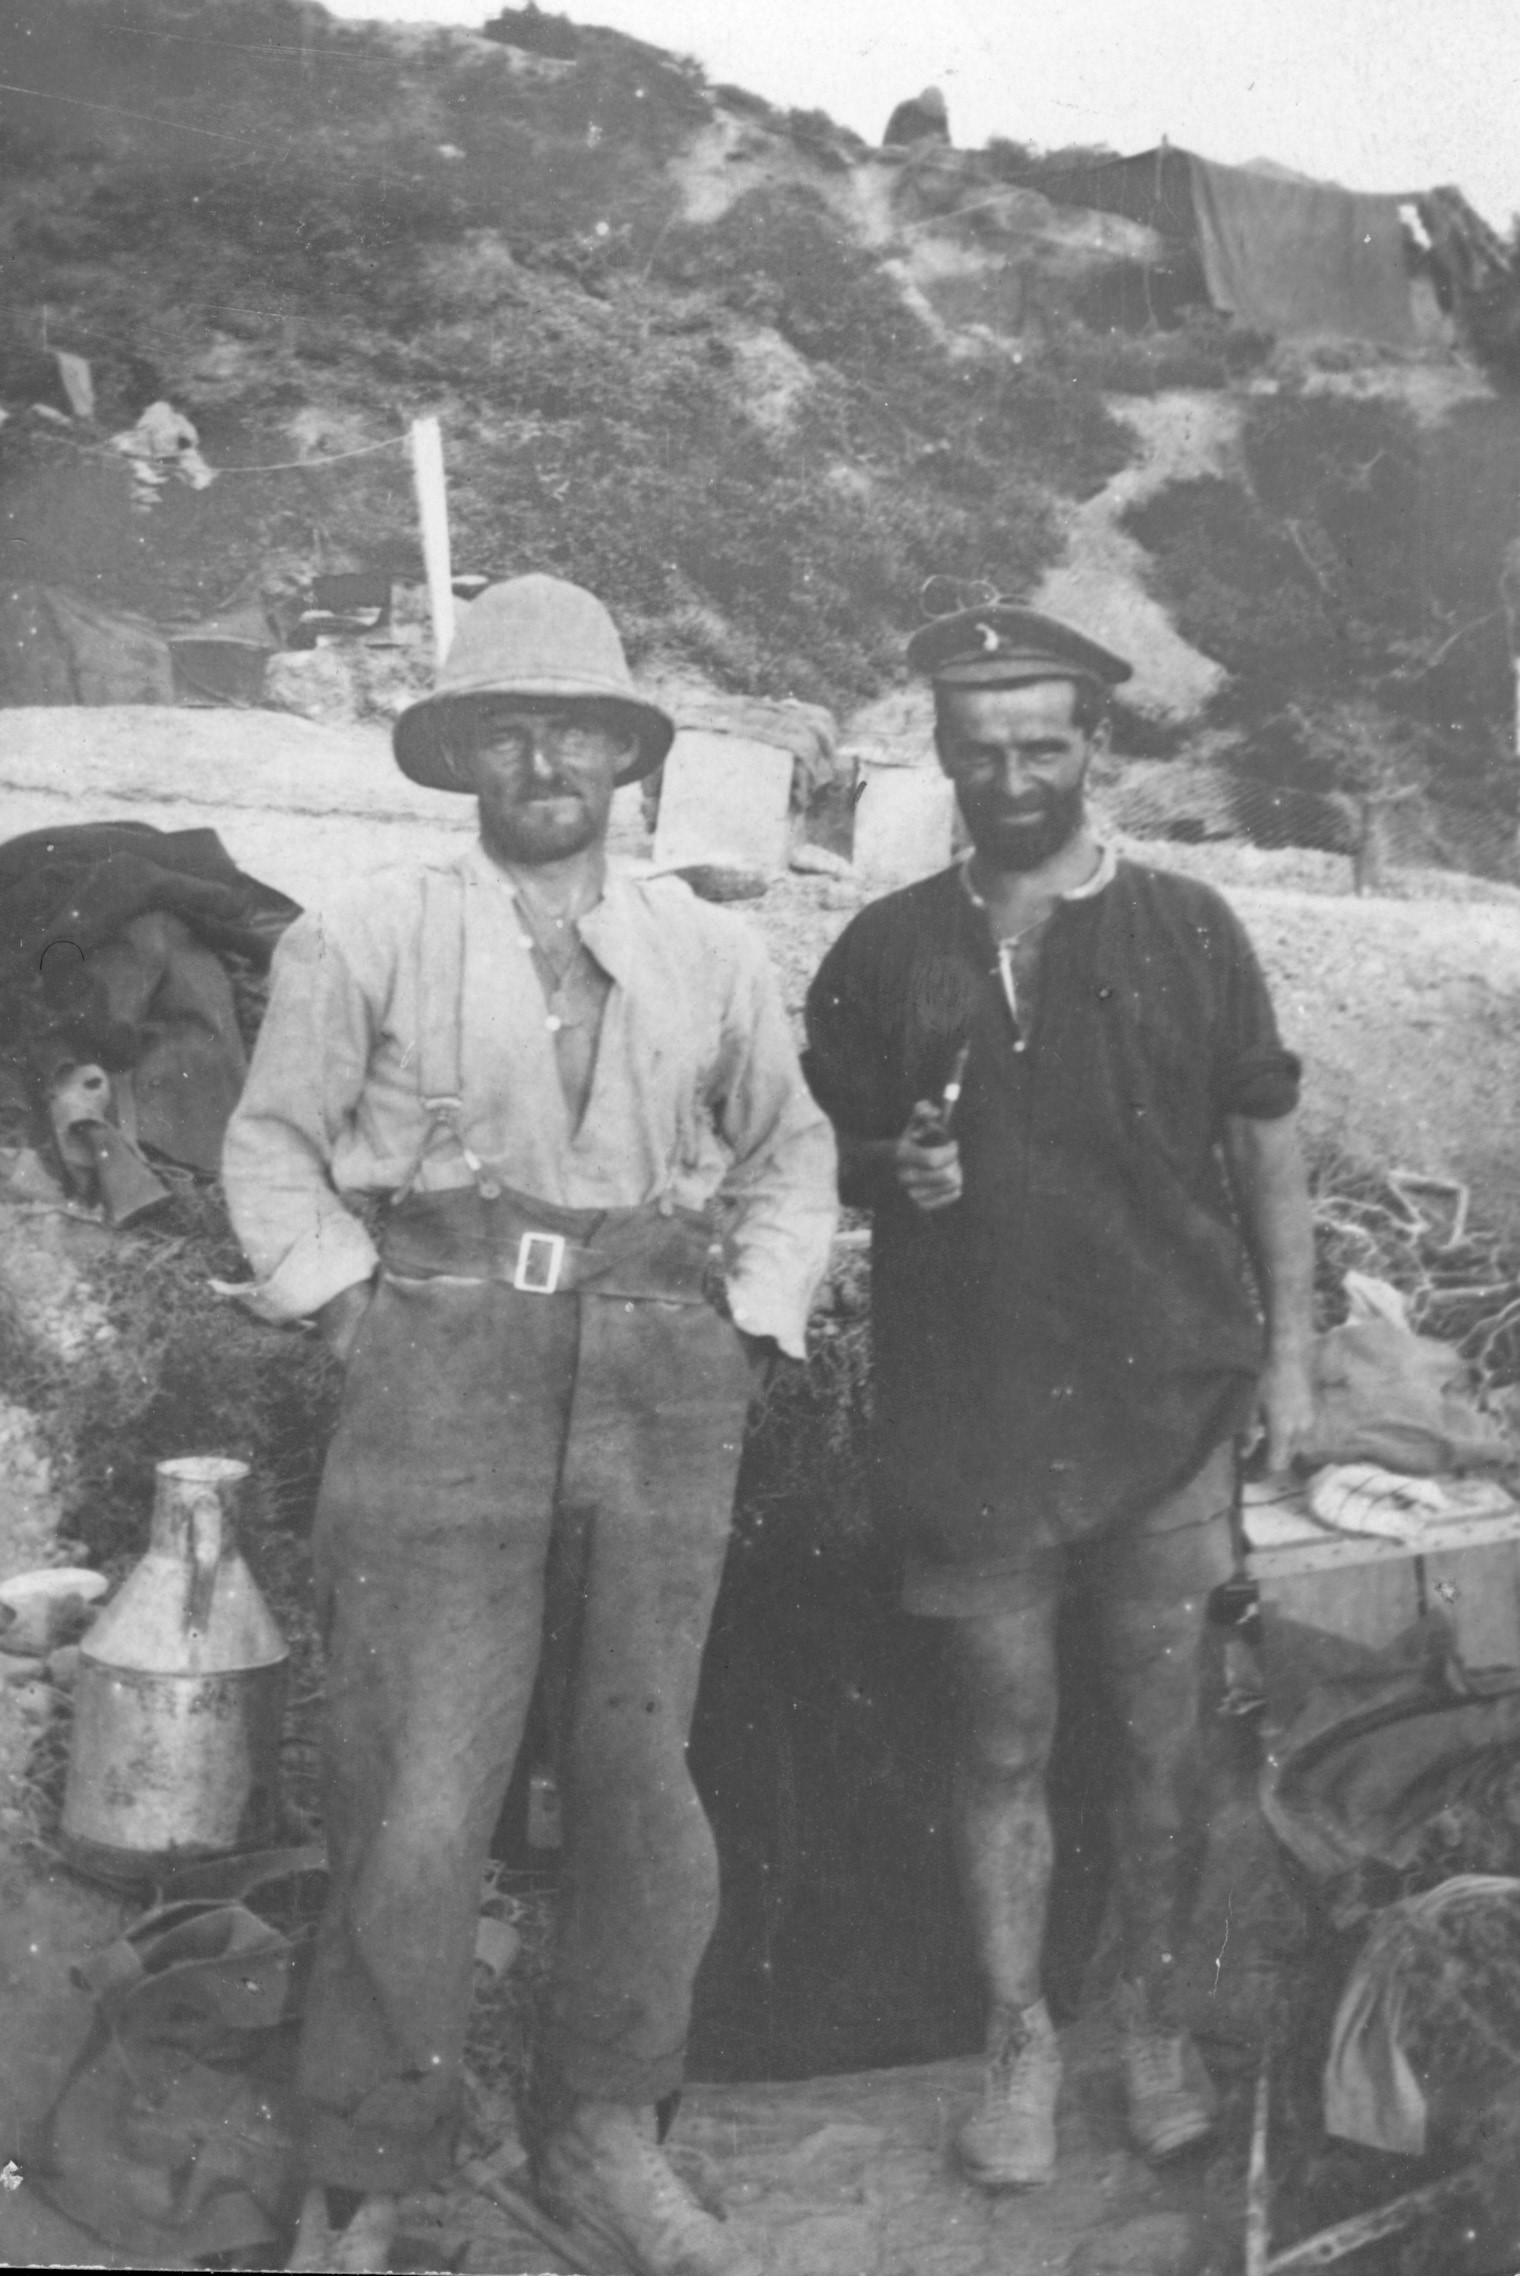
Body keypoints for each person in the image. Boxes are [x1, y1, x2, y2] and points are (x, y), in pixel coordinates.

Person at [222, 575, 836, 2276]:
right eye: (515, 724)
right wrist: (351, 1305)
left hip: (656, 1369)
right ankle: (365, 2175)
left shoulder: (709, 951)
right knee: (418, 1793)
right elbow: (271, 1147)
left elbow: (790, 1155)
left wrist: (758, 1320)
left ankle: (605, 2137)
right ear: (467, 752)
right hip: (444, 1362)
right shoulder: (361, 935)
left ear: (630, 755)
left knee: (642, 1785)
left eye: (582, 725)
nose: (548, 754)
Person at [803, 601, 1314, 2189]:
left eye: (1043, 744)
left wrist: (1291, 1354)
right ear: (942, 758)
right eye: (980, 750)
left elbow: (1265, 1146)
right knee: (1001, 1740)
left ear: (1096, 745)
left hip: (1168, 1403)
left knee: (1168, 1744)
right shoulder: (887, 950)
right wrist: (893, 1164)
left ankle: (1150, 2015)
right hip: (971, 1418)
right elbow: (799, 1150)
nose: (1013, 775)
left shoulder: (1190, 929)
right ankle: (1018, 2035)